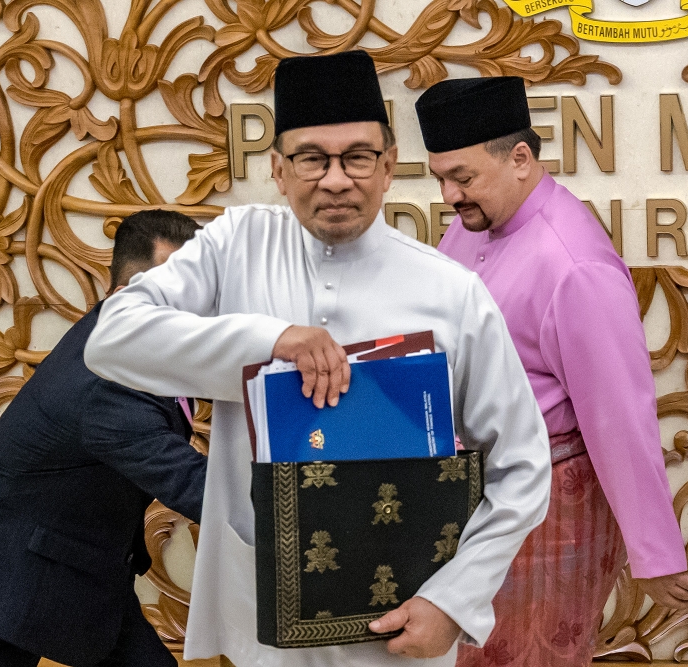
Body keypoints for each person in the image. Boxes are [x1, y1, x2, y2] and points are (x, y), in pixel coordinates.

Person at [84, 51, 551, 667]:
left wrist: (453, 602)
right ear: (279, 169)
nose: (336, 179)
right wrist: (270, 341)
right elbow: (112, 339)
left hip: (402, 620)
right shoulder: (235, 247)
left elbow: (521, 464)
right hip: (263, 613)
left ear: (388, 167)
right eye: (312, 158)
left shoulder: (452, 292)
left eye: (357, 156)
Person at [415, 76, 688, 667]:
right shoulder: (473, 224)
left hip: (549, 512)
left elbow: (620, 414)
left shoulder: (573, 264)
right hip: (473, 494)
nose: (448, 195)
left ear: (520, 158)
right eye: (440, 177)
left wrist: (655, 555)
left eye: (461, 177)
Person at [0, 209, 207, 667]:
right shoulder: (109, 385)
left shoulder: (129, 332)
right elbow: (199, 490)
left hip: (77, 562)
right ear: (130, 293)